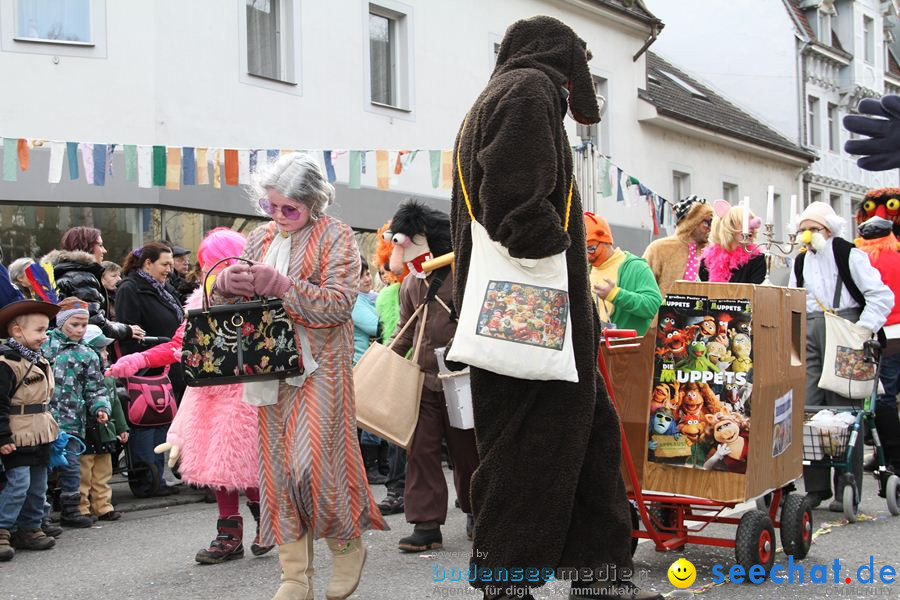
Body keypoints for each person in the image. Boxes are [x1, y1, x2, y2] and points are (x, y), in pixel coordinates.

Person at [450, 17, 656, 600]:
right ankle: (506, 580)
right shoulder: (528, 90)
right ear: (563, 60)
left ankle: (599, 573)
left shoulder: (499, 93)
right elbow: (514, 199)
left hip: (528, 310)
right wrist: (552, 252)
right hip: (533, 311)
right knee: (528, 445)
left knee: (585, 436)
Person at [213, 152, 387, 599]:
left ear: (314, 203)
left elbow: (338, 305)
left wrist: (284, 286)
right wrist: (224, 287)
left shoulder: (336, 235)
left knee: (313, 467)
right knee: (277, 472)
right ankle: (294, 577)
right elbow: (237, 314)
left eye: (289, 208)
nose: (278, 216)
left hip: (322, 368)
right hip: (268, 368)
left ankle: (348, 548)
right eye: (271, 206)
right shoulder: (258, 237)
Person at [108, 227, 275, 564]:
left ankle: (265, 525)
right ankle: (231, 535)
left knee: (245, 464)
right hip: (211, 395)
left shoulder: (263, 296)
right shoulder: (202, 300)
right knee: (218, 465)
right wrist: (137, 359)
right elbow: (178, 345)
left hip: (249, 393)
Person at [385, 200, 480, 552]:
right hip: (422, 378)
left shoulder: (462, 276)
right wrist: (384, 360)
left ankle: (477, 510)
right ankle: (426, 524)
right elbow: (405, 331)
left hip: (462, 378)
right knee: (420, 450)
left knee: (467, 450)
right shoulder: (410, 284)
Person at [788, 201, 894, 511]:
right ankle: (816, 486)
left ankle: (847, 483)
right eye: (803, 230)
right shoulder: (800, 261)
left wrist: (862, 330)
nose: (807, 236)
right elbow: (795, 301)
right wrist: (792, 347)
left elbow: (881, 296)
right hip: (809, 332)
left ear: (829, 229)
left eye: (813, 229)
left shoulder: (849, 254)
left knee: (845, 408)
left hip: (844, 327)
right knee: (809, 407)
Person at [0, 266, 60, 561]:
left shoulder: (40, 359)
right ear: (16, 331)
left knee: (39, 483)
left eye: (46, 330)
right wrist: (2, 436)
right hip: (17, 433)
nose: (45, 336)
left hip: (42, 430)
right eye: (39, 331)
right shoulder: (6, 363)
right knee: (18, 483)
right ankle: (2, 529)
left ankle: (30, 527)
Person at [114, 242, 184, 497]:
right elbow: (128, 330)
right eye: (165, 264)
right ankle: (147, 481)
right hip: (146, 370)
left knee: (162, 422)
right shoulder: (130, 289)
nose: (170, 269)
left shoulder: (163, 289)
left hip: (168, 367)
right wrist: (142, 360)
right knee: (145, 422)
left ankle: (158, 478)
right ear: (147, 263)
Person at [42, 297, 111, 529]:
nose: (80, 330)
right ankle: (40, 516)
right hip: (43, 419)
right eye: (74, 325)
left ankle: (72, 509)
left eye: (84, 325)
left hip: (73, 420)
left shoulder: (88, 353)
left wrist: (100, 407)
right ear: (61, 323)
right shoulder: (45, 345)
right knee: (42, 468)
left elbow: (95, 386)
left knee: (72, 466)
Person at [853, 188, 900, 472]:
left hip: (884, 336)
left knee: (880, 396)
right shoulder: (897, 255)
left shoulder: (861, 260)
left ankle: (892, 458)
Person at [43, 227, 144, 344]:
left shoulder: (64, 272)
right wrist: (127, 330)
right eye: (100, 245)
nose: (104, 250)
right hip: (80, 351)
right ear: (87, 247)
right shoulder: (82, 277)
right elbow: (94, 322)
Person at [373, 221, 407, 516]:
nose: (388, 270)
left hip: (409, 366)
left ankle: (397, 491)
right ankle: (397, 490)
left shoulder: (396, 292)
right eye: (384, 264)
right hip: (403, 366)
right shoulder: (388, 296)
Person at [79, 324, 128, 522]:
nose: (106, 353)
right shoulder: (80, 375)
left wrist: (122, 427)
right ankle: (82, 507)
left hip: (105, 429)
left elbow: (115, 403)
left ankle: (103, 506)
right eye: (101, 349)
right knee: (83, 473)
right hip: (85, 429)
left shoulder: (107, 377)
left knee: (103, 471)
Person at [584, 212, 662, 336]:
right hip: (595, 350)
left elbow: (654, 306)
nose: (588, 256)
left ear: (606, 240)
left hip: (627, 352)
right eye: (583, 251)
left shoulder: (636, 267)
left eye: (591, 248)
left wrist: (616, 295)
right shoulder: (586, 271)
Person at [351, 255, 388, 485]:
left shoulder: (370, 298)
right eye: (361, 275)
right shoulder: (354, 301)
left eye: (367, 274)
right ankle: (371, 465)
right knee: (370, 418)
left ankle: (380, 464)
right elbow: (377, 326)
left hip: (374, 362)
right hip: (362, 365)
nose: (366, 279)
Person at [643, 196, 714, 298]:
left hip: (705, 313)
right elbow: (643, 287)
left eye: (712, 222)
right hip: (665, 313)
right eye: (707, 222)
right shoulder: (658, 248)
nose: (710, 227)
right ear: (691, 222)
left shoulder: (713, 251)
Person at [698, 200, 766, 284]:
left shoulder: (757, 259)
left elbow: (756, 292)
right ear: (729, 226)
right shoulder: (707, 261)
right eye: (745, 223)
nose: (752, 227)